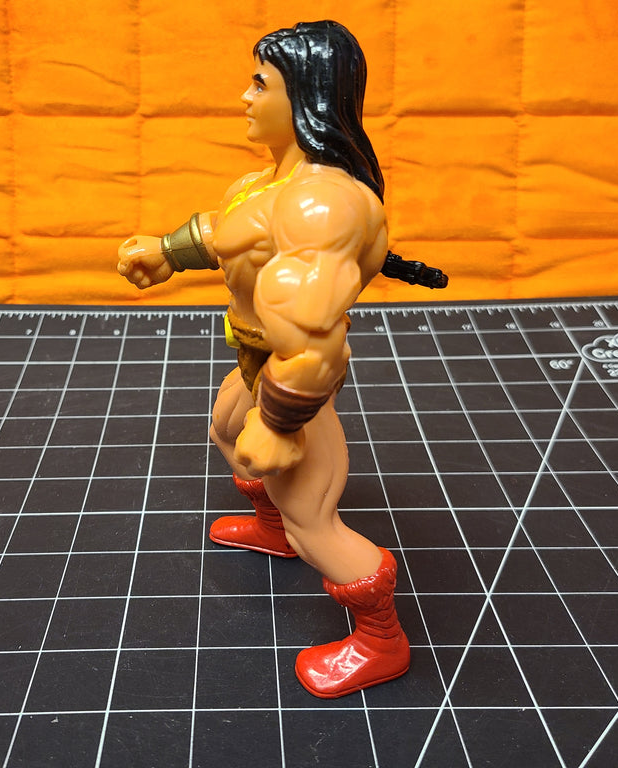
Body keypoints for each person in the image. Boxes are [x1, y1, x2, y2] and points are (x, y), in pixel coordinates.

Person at [117, 20, 409, 699]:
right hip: (254, 362)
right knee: (226, 429)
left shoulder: (322, 205)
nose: (245, 97)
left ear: (304, 96)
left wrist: (279, 423)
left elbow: (313, 338)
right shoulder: (268, 183)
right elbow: (232, 233)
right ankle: (271, 529)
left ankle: (380, 641)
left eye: (260, 83)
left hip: (292, 383)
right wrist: (167, 251)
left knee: (315, 522)